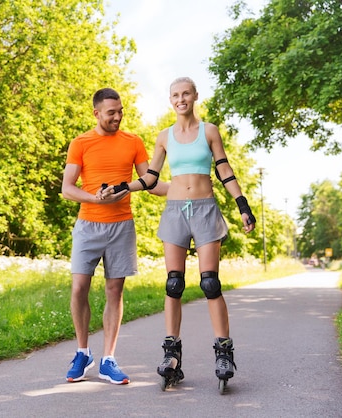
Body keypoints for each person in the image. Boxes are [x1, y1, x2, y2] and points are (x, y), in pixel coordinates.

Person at [101, 77, 256, 386]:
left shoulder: (209, 131)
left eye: (186, 93)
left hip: (205, 209)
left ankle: (224, 351)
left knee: (210, 283)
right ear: (170, 100)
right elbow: (150, 177)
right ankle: (171, 353)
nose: (181, 99)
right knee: (173, 284)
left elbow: (224, 169)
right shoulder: (164, 137)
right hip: (174, 211)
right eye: (175, 95)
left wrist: (243, 204)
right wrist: (123, 187)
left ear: (195, 96)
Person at [61, 88, 168, 384]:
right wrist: (95, 199)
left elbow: (150, 182)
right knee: (79, 287)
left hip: (122, 225)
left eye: (120, 111)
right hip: (89, 224)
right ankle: (83, 352)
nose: (118, 117)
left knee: (114, 291)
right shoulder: (80, 143)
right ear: (96, 113)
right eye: (111, 113)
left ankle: (108, 358)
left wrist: (186, 186)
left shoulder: (133, 142)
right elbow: (67, 187)